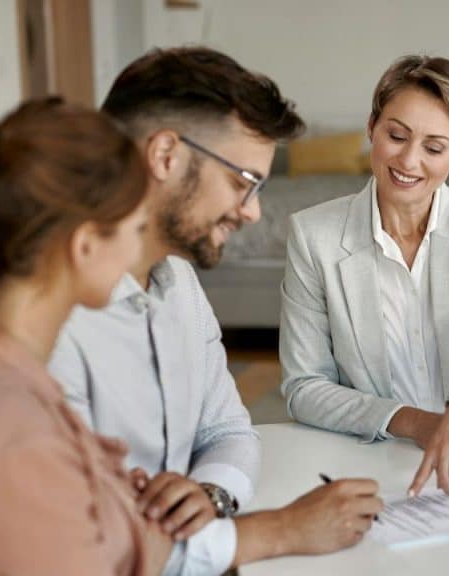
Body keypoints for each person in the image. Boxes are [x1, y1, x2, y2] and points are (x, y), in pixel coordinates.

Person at [0, 99, 382, 576]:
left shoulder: (7, 387)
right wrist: (279, 531)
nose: (150, 253)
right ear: (85, 246)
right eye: (138, 228)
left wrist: (122, 504)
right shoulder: (13, 428)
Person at [45, 47, 379, 574]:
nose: (252, 212)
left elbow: (229, 431)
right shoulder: (49, 322)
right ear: (165, 156)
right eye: (244, 182)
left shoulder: (178, 282)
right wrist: (280, 531)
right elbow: (75, 547)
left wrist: (211, 496)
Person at [279, 55, 449, 498]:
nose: (408, 161)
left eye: (434, 148)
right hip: (374, 456)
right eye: (396, 135)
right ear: (372, 127)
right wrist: (417, 422)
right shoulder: (313, 234)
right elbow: (304, 387)